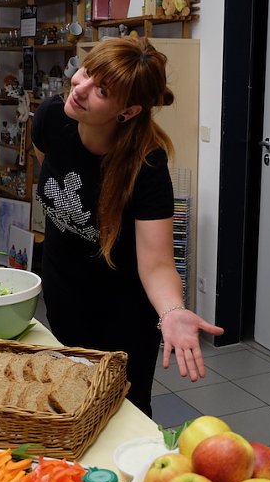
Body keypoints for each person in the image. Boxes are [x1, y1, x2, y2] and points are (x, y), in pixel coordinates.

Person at [32, 36, 223, 416]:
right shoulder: (53, 117)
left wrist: (172, 312)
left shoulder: (146, 167)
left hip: (120, 312)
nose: (80, 87)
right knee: (68, 405)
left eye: (101, 90)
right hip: (62, 291)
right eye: (86, 71)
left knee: (122, 413)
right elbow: (47, 167)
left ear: (128, 111)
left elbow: (156, 263)